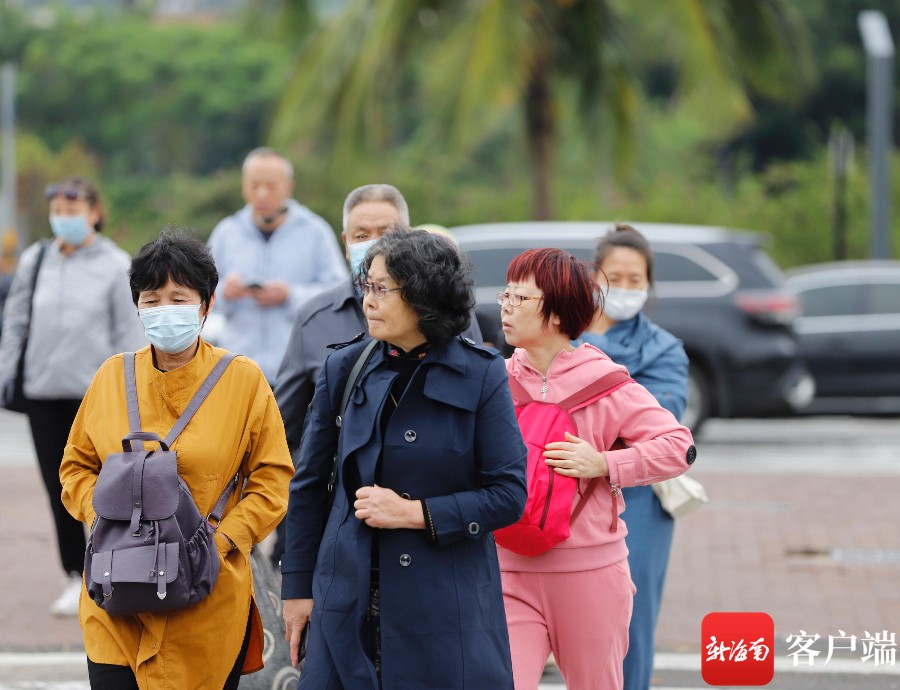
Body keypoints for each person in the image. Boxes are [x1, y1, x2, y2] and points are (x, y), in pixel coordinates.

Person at [281, 228, 527, 689]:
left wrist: (416, 514)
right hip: (346, 599)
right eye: (366, 286)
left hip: (443, 606)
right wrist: (296, 588)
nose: (367, 301)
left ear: (423, 294)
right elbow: (310, 484)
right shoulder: (345, 366)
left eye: (381, 288)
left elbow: (509, 495)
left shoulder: (482, 373)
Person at [58, 229, 294, 689]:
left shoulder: (242, 380)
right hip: (116, 595)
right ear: (138, 307)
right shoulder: (111, 377)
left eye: (178, 297)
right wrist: (105, 517)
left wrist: (224, 542)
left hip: (204, 597)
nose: (165, 309)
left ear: (205, 305)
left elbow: (272, 479)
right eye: (152, 299)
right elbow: (75, 466)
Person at [497, 247, 696, 690]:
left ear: (555, 313)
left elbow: (679, 447)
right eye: (504, 295)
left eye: (520, 298)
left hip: (589, 574)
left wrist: (605, 463)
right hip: (507, 568)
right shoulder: (496, 381)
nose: (506, 307)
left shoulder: (607, 383)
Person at [271, 184, 480, 568]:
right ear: (345, 241)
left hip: (432, 521)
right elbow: (287, 427)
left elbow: (478, 414)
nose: (374, 244)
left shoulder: (452, 315)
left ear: (411, 236)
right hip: (341, 524)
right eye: (361, 236)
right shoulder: (314, 319)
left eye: (386, 233)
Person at [0, 177, 145, 617]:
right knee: (58, 487)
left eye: (73, 207)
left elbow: (127, 331)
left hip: (95, 395)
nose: (64, 216)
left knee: (109, 486)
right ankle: (72, 576)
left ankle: (115, 566)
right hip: (43, 391)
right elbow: (16, 319)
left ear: (95, 211)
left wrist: (132, 390)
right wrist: (8, 373)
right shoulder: (37, 258)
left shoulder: (116, 264)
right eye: (58, 208)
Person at [578, 224, 689, 690]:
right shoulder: (558, 331)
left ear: (649, 285)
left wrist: (588, 350)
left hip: (638, 498)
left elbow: (659, 427)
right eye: (614, 277)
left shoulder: (663, 348)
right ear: (593, 277)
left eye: (635, 280)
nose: (624, 289)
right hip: (563, 489)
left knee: (629, 617)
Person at [207, 147, 348, 383]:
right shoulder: (226, 233)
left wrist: (290, 295)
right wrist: (224, 292)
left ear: (288, 187)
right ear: (243, 186)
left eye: (271, 186)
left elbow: (339, 293)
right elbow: (200, 295)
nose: (262, 194)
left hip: (297, 373)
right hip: (236, 370)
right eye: (254, 185)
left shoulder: (315, 231)